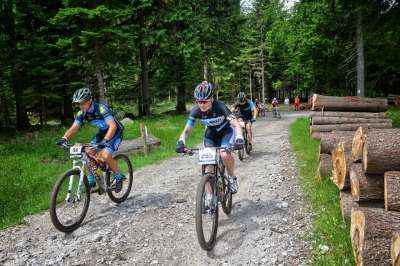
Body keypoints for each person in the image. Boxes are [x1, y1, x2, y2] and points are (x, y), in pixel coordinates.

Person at [175, 81, 244, 206]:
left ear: (212, 99)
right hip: (211, 134)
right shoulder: (196, 111)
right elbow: (187, 130)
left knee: (224, 154)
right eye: (199, 101)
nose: (201, 104)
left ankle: (232, 177)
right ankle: (209, 194)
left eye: (205, 101)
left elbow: (236, 124)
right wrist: (181, 141)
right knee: (206, 162)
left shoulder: (220, 106)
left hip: (226, 132)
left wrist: (239, 138)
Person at [56, 88, 125, 192]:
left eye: (83, 103)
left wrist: (105, 141)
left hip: (115, 132)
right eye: (79, 104)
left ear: (90, 100)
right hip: (102, 133)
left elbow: (112, 126)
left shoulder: (101, 109)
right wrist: (64, 138)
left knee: (106, 156)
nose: (81, 106)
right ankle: (91, 181)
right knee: (87, 153)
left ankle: (119, 178)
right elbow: (74, 128)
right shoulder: (82, 113)